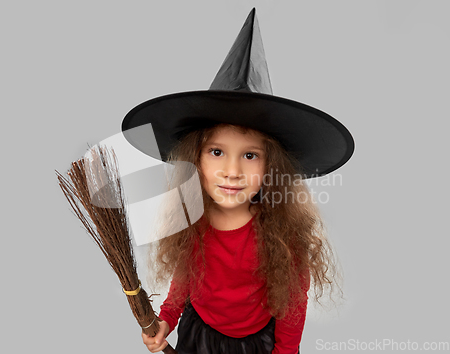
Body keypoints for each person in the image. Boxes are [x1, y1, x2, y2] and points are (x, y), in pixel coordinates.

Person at [121, 8, 354, 354]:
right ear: (194, 159)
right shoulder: (193, 218)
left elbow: (291, 307)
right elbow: (186, 278)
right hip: (197, 334)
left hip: (252, 344)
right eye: (217, 152)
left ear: (271, 166)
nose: (232, 171)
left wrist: (284, 353)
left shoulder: (282, 235)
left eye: (250, 155)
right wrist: (167, 318)